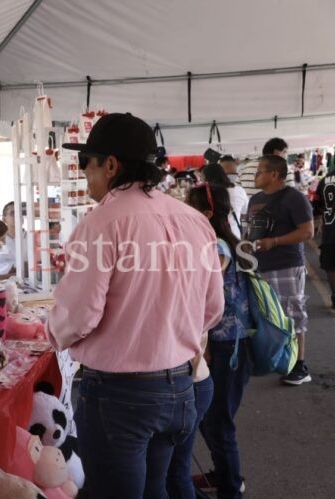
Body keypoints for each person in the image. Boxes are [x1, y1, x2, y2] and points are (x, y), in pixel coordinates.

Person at [46, 112, 224, 498]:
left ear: (110, 165)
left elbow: (79, 316)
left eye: (87, 163)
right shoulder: (193, 220)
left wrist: (50, 330)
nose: (84, 174)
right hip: (179, 388)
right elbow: (212, 309)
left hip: (120, 398)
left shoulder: (101, 224)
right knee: (155, 489)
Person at [186, 183, 252, 498]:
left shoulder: (216, 248)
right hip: (228, 345)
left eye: (191, 208)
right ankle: (224, 475)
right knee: (211, 419)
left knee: (218, 423)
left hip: (228, 348)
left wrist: (206, 348)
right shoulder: (224, 242)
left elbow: (206, 300)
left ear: (208, 212)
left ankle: (231, 487)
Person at [247, 154, 314, 385]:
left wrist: (274, 242)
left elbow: (307, 231)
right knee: (267, 315)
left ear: (274, 174)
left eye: (259, 171)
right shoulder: (255, 199)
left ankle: (299, 365)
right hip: (260, 265)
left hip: (286, 265)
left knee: (293, 314)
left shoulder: (294, 198)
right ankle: (280, 359)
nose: (255, 175)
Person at [202, 163, 248, 239]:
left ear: (206, 178)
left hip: (213, 234)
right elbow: (245, 211)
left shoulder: (207, 193)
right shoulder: (239, 190)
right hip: (234, 233)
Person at [314, 167, 335, 307]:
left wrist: (320, 220)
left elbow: (317, 206)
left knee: (331, 265)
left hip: (330, 230)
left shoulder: (324, 180)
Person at [0, 201, 27, 276]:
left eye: (20, 213)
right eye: (13, 213)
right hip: (3, 280)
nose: (17, 215)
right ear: (4, 219)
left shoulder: (32, 238)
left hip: (30, 281)